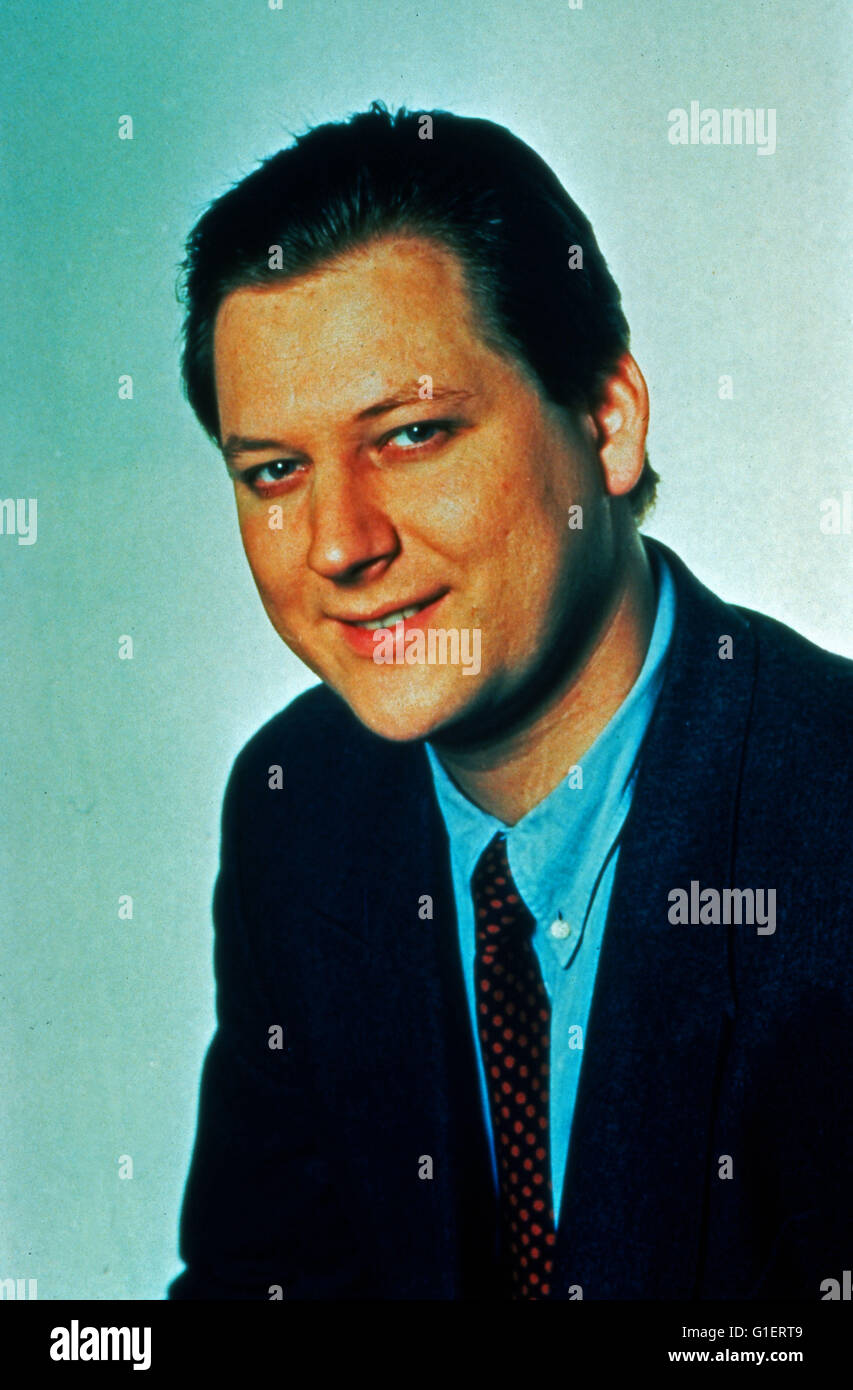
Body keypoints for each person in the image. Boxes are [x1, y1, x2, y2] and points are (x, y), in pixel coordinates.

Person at [167, 102, 852, 1301]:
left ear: (606, 423)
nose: (339, 543)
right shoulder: (297, 809)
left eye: (412, 435)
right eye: (274, 470)